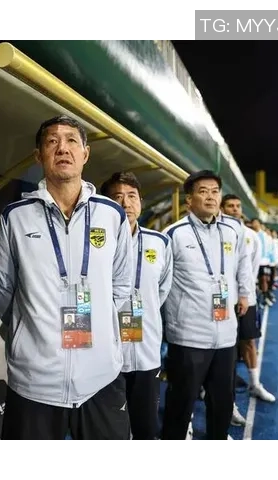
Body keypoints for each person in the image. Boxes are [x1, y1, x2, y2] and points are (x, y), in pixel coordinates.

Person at [0, 115, 134, 440]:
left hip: (100, 377)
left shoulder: (111, 215)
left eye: (71, 140)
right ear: (39, 155)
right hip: (35, 381)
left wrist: (100, 321)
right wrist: (27, 333)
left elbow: (121, 284)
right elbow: (4, 290)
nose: (62, 148)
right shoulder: (14, 218)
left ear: (85, 153)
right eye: (52, 141)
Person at [160, 170, 252, 440]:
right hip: (188, 336)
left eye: (215, 191)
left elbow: (243, 264)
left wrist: (245, 293)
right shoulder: (173, 234)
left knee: (222, 403)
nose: (211, 197)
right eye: (203, 191)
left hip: (225, 335)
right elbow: (159, 283)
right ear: (189, 200)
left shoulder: (233, 230)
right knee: (180, 405)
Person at [100, 171, 173, 440]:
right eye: (117, 197)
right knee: (110, 433)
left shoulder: (160, 243)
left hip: (146, 352)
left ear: (141, 201)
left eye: (132, 196)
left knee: (146, 428)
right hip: (106, 355)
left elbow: (162, 289)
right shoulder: (96, 243)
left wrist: (145, 310)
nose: (125, 203)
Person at [221, 195, 276, 409]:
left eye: (237, 206)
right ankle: (221, 392)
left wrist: (245, 293)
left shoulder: (252, 236)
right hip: (223, 299)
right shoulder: (217, 234)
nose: (235, 209)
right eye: (230, 206)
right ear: (222, 209)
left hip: (246, 298)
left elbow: (252, 268)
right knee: (224, 348)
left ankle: (254, 384)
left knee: (249, 341)